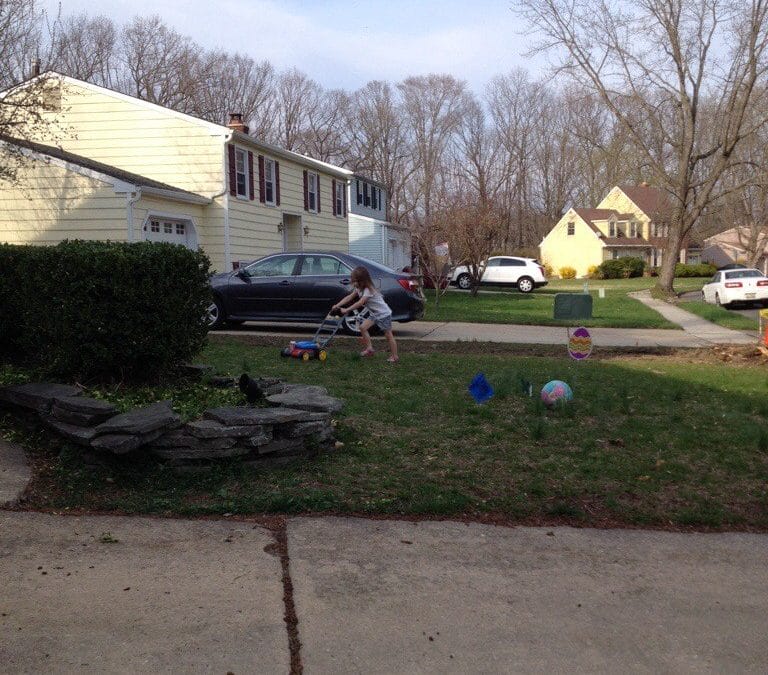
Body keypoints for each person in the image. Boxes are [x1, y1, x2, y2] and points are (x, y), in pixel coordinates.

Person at [332, 266, 399, 363]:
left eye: (356, 281)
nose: (354, 283)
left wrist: (346, 310)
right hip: (374, 314)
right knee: (363, 328)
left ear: (363, 280)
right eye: (353, 281)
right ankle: (369, 349)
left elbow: (360, 303)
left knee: (388, 335)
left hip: (383, 314)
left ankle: (395, 356)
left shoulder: (368, 290)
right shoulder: (358, 288)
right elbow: (349, 297)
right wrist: (337, 305)